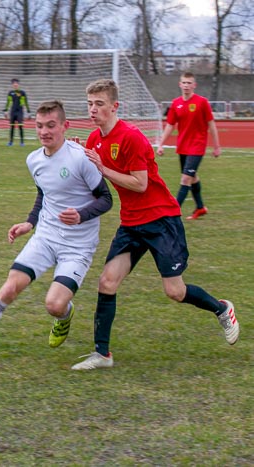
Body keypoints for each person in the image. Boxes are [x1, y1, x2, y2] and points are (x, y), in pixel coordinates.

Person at [73, 78, 239, 371]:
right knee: (107, 282)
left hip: (161, 220)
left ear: (115, 106)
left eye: (99, 104)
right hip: (131, 224)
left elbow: (140, 184)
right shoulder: (94, 140)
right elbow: (97, 179)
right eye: (89, 104)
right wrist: (79, 157)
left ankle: (222, 308)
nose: (93, 110)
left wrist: (102, 166)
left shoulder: (131, 137)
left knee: (174, 292)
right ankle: (102, 354)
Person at [0, 100, 113, 369]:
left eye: (51, 126)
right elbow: (43, 194)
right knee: (10, 287)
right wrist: (29, 223)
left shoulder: (81, 157)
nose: (45, 131)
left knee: (54, 305)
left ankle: (64, 316)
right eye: (39, 126)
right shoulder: (33, 159)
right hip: (45, 237)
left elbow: (106, 199)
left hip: (78, 246)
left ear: (64, 126)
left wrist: (81, 215)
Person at [156, 72, 221, 220]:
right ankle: (200, 207)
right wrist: (161, 144)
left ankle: (173, 213)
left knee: (185, 179)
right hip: (183, 146)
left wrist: (217, 146)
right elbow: (170, 125)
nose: (186, 85)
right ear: (180, 84)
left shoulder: (202, 102)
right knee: (192, 177)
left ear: (194, 85)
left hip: (197, 146)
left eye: (189, 83)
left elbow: (211, 124)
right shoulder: (176, 103)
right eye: (184, 83)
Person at [3, 78, 31, 147]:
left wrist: (28, 112)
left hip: (19, 112)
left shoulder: (22, 93)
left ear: (18, 84)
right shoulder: (10, 93)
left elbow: (26, 102)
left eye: (16, 83)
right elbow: (8, 102)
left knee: (20, 126)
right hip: (13, 112)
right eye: (14, 84)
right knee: (12, 127)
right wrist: (6, 111)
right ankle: (10, 142)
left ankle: (22, 142)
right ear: (12, 85)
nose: (15, 85)